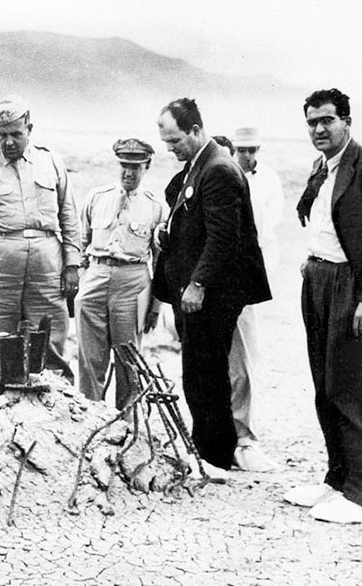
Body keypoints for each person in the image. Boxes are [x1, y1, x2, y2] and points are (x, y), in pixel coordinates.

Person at [153, 98, 271, 482]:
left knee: (206, 374)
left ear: (195, 130)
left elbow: (223, 238)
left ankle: (215, 455)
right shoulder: (199, 165)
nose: (171, 150)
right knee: (200, 372)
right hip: (193, 292)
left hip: (209, 293)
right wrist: (166, 231)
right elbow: (189, 213)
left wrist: (198, 283)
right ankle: (209, 448)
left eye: (175, 142)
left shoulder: (218, 168)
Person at [284, 88, 362, 523]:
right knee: (324, 385)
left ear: (346, 121)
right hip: (320, 279)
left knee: (352, 389)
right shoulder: (321, 167)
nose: (319, 129)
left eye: (327, 120)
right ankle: (337, 479)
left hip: (352, 288)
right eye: (311, 122)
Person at [0, 95, 81, 397]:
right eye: (2, 135)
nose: (9, 142)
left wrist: (73, 265)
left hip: (47, 265)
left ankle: (52, 412)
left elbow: (69, 215)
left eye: (16, 134)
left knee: (49, 339)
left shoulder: (51, 162)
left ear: (29, 129)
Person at [75, 138, 165, 408]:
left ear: (146, 167)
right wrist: (83, 278)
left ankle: (126, 422)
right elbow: (82, 243)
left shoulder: (155, 207)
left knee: (129, 358)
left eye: (136, 167)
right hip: (97, 274)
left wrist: (156, 306)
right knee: (89, 358)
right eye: (124, 165)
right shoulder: (97, 198)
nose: (129, 172)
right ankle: (90, 417)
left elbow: (161, 263)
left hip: (133, 281)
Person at [227, 127, 284, 472]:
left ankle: (244, 437)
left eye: (252, 149)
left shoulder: (268, 182)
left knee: (245, 361)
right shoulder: (223, 175)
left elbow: (267, 233)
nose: (247, 155)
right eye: (241, 149)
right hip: (219, 279)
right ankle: (222, 435)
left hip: (246, 279)